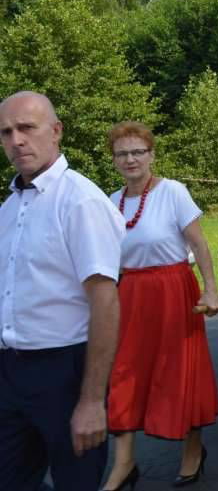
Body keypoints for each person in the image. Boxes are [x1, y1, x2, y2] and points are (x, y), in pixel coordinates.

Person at [0, 92, 125, 491]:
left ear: (56, 132)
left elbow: (104, 300)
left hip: (66, 373)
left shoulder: (81, 201)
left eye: (26, 128)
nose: (16, 140)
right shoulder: (9, 208)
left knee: (75, 482)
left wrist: (91, 401)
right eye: (6, 132)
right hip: (10, 372)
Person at [103, 122, 218, 490]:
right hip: (131, 293)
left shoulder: (173, 192)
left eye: (138, 151)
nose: (130, 159)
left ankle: (193, 451)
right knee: (123, 373)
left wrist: (211, 289)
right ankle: (124, 464)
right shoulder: (111, 202)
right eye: (122, 153)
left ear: (152, 154)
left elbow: (200, 245)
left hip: (174, 291)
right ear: (114, 160)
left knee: (179, 370)